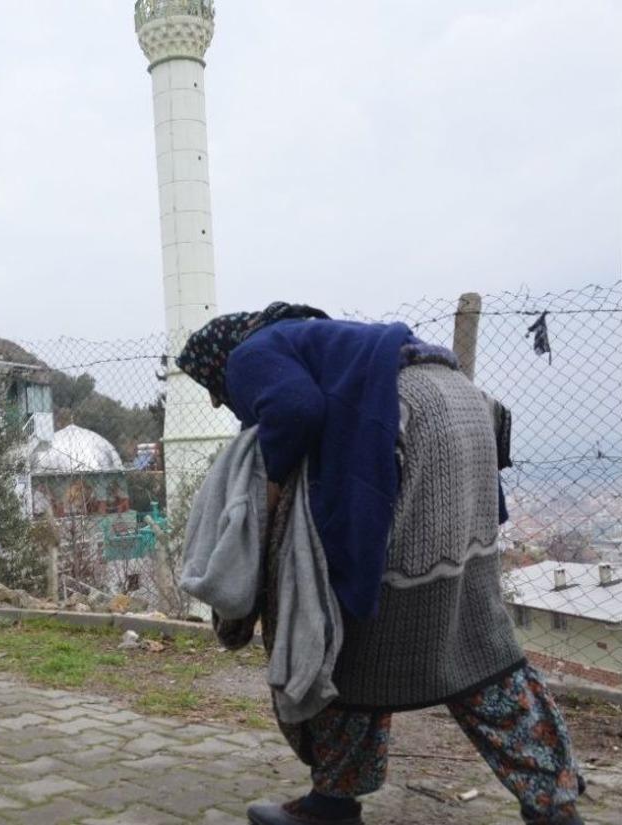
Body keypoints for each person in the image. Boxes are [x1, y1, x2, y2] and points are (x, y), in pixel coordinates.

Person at [176, 305, 584, 825]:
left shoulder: (247, 352)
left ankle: (331, 805)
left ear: (217, 360)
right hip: (463, 409)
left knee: (348, 628)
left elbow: (295, 409)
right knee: (475, 635)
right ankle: (553, 797)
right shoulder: (312, 338)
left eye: (211, 385)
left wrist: (268, 496)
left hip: (407, 422)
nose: (216, 398)